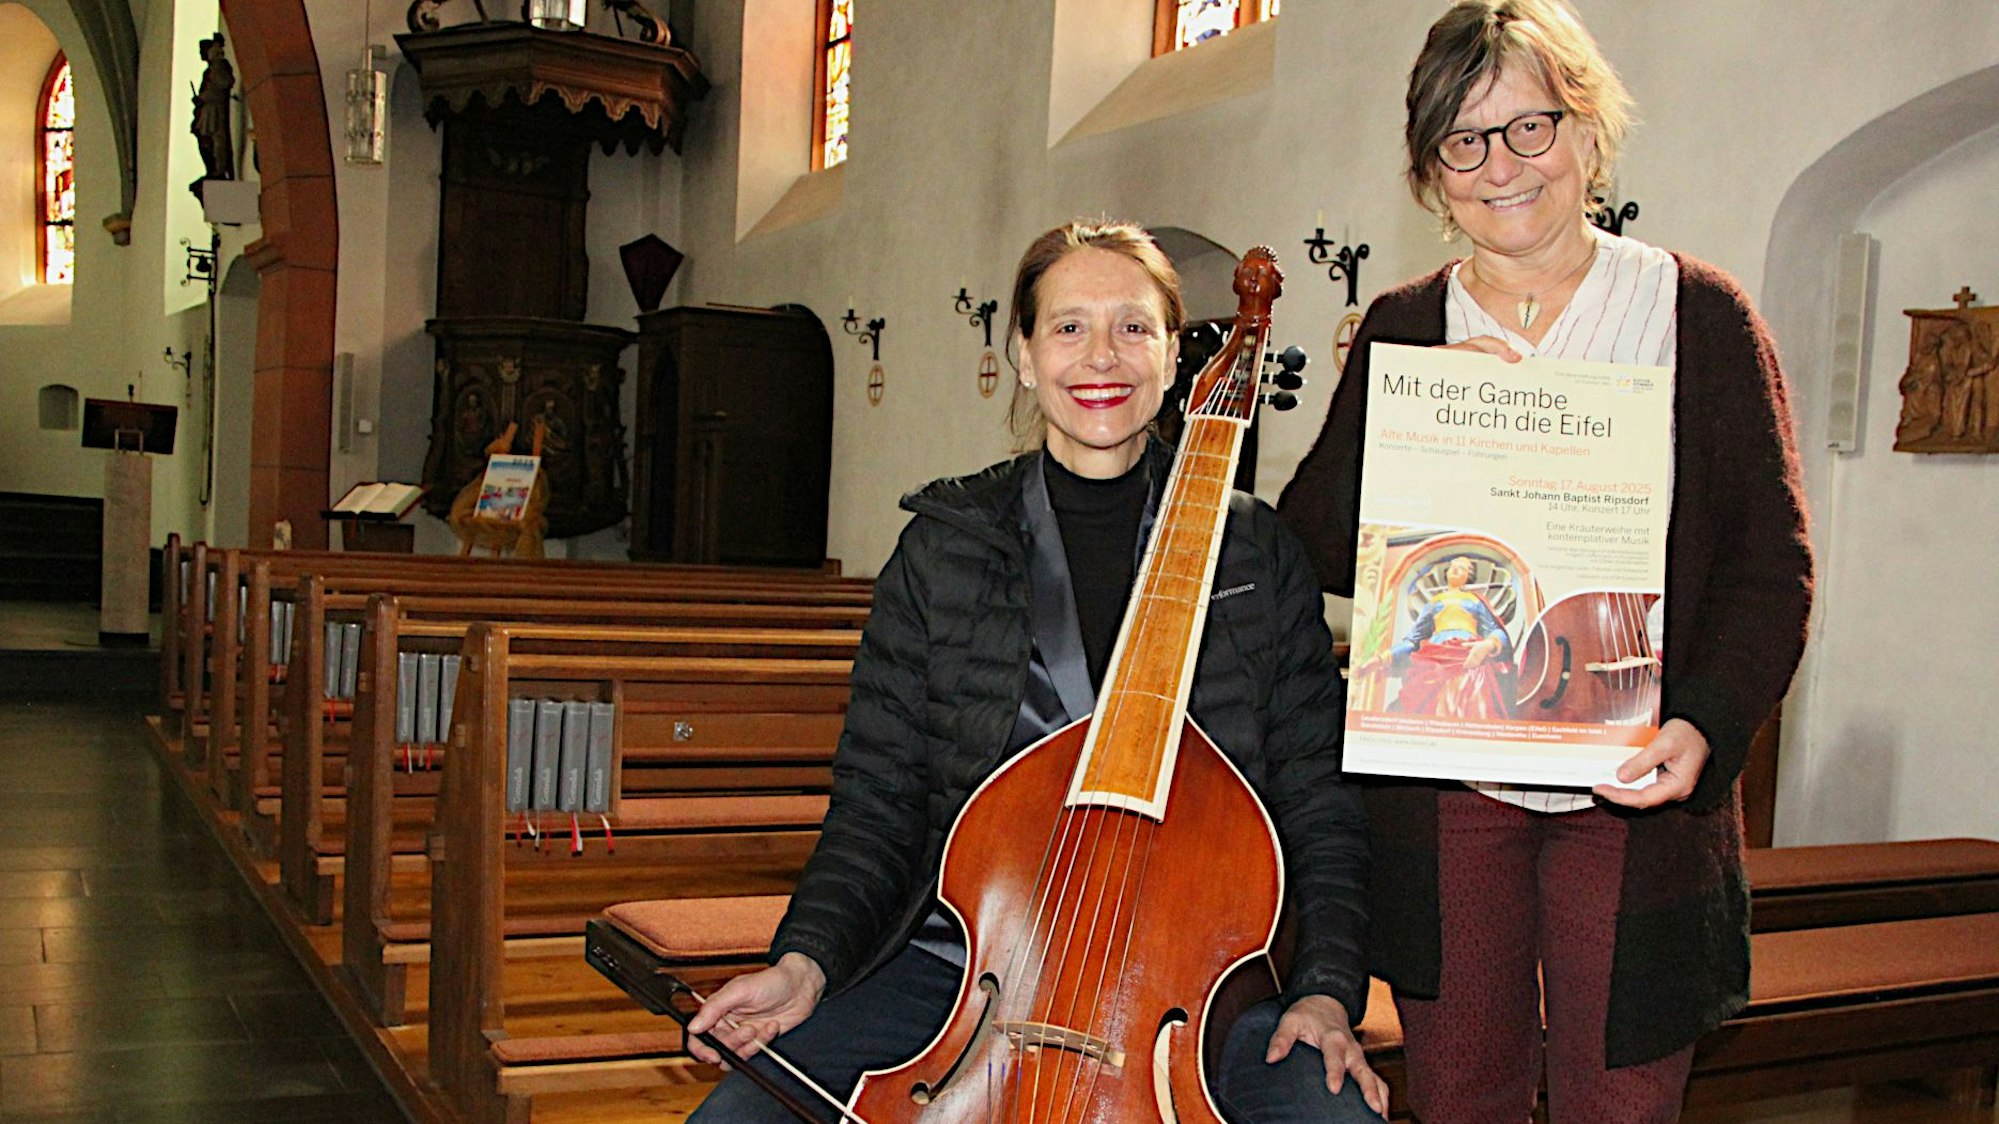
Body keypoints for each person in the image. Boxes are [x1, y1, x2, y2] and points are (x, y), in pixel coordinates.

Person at [686, 220, 1386, 1122]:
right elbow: (879, 802)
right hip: (965, 979)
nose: (1103, 356)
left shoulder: (1256, 550)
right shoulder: (944, 548)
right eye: (1067, 327)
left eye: (1134, 327)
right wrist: (805, 959)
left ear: (1175, 355)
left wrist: (1327, 989)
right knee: (737, 1119)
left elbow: (1318, 800)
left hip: (1193, 999)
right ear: (1021, 355)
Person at [1277, 2, 1814, 1120]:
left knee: (1620, 1099)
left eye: (1531, 126)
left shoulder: (1696, 314)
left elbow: (1771, 564)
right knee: (1462, 1088)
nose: (1501, 165)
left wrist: (1703, 722)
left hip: (1635, 779)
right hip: (1450, 776)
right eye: (1462, 140)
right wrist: (1420, 415)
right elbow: (1313, 542)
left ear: (1587, 131)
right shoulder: (1405, 325)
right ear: (1430, 167)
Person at [1380, 555, 1512, 719]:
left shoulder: (1475, 601)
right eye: (1453, 566)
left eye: (1462, 568)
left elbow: (1496, 632)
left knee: (1472, 708)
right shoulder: (1434, 602)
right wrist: (1384, 657)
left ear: (1467, 576)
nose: (1456, 569)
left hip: (1469, 656)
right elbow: (1413, 640)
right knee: (1432, 708)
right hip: (1434, 659)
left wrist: (1488, 645)